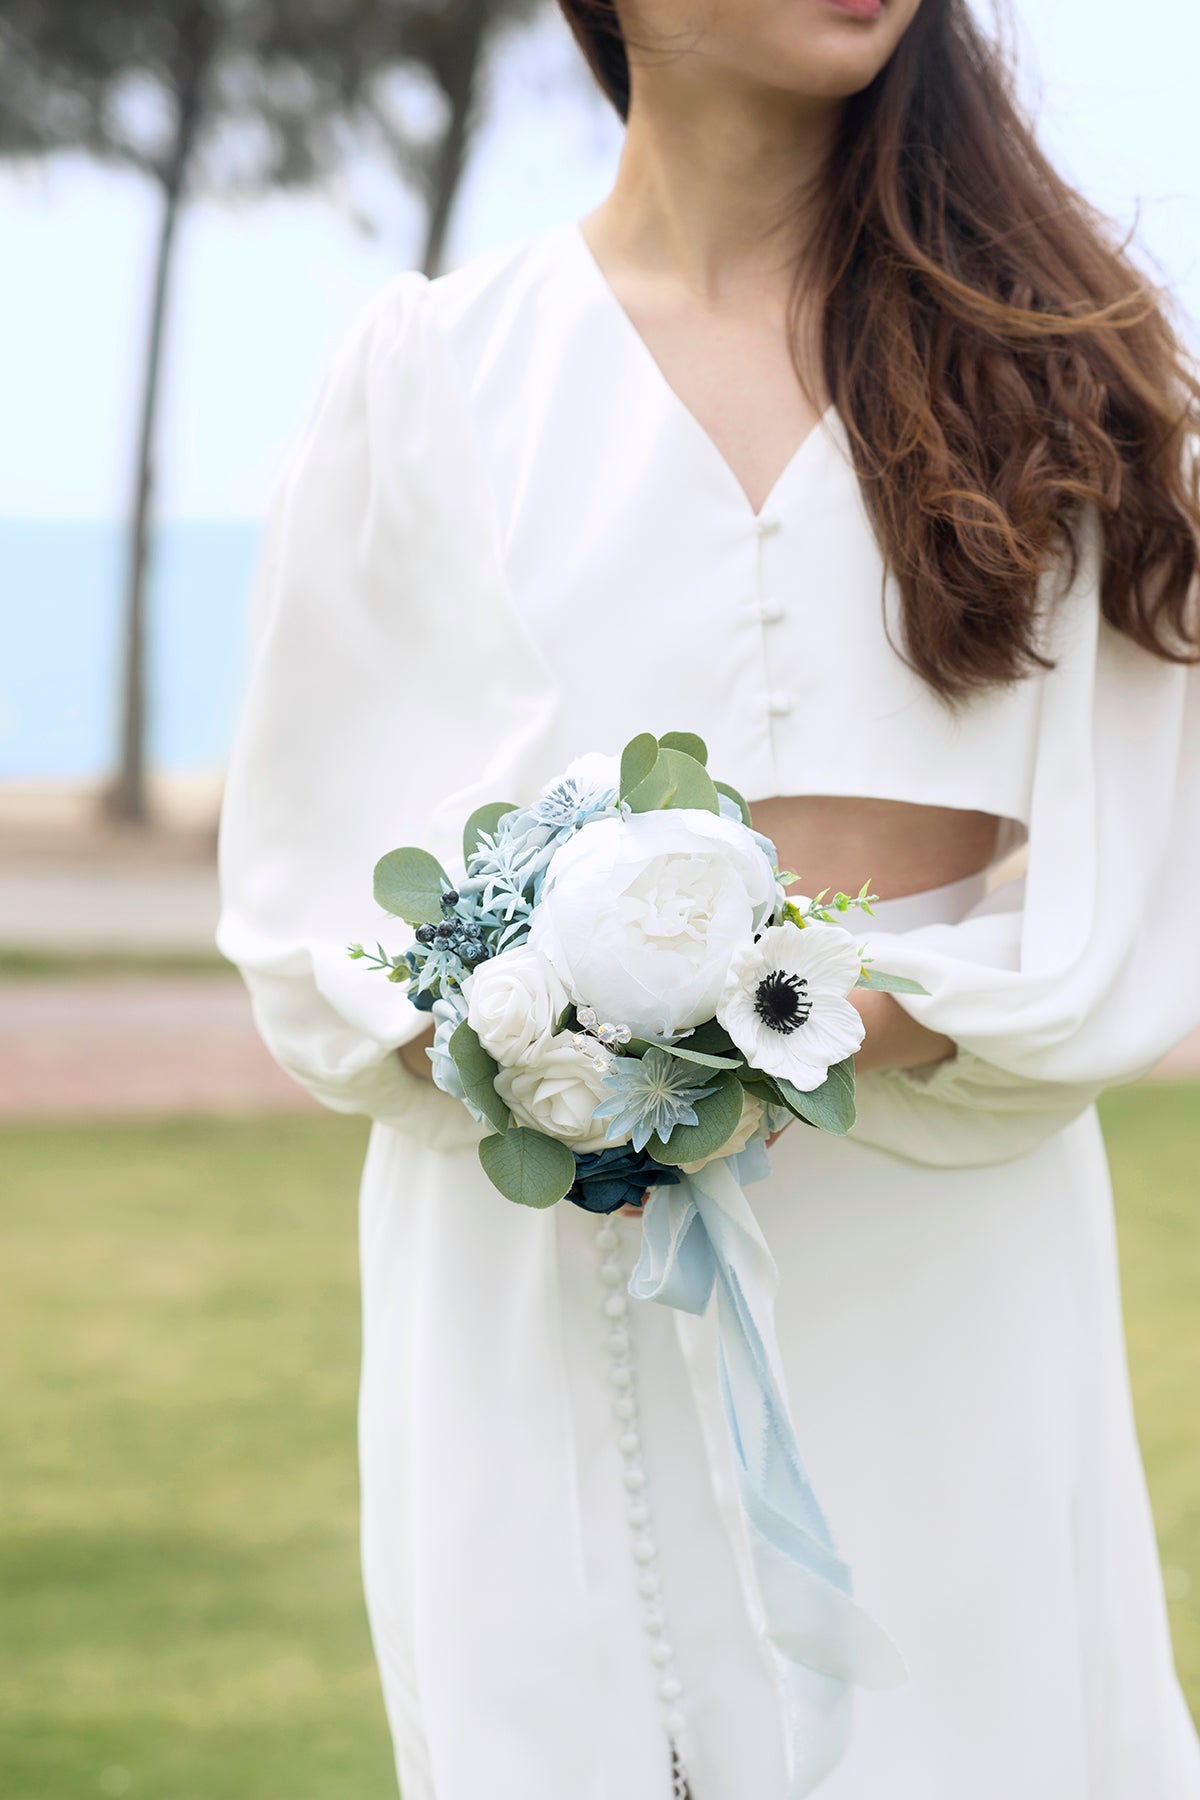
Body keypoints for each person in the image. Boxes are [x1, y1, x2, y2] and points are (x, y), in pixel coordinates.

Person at [215, 1, 1200, 1795]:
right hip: (530, 1271)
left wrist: (765, 1033)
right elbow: (313, 899)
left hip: (932, 1256)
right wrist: (535, 1046)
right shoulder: (434, 369)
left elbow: (1137, 898)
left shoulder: (1066, 364)